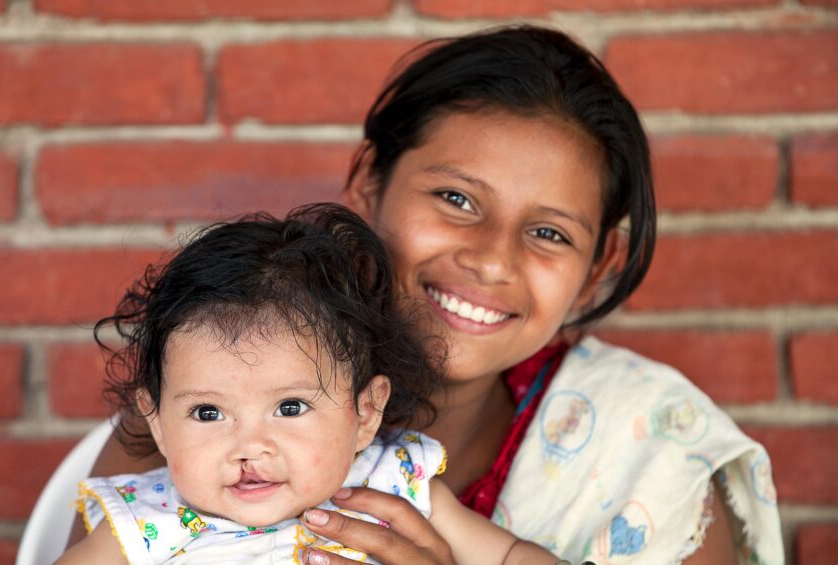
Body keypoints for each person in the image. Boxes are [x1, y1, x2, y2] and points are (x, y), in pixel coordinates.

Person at [70, 25, 783, 564]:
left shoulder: (652, 449)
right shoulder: (201, 413)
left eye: (549, 233)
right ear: (369, 185)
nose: (492, 259)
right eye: (456, 198)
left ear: (600, 267)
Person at [57, 205, 559, 564]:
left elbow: (509, 555)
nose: (249, 447)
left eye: (291, 407)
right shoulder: (144, 524)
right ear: (158, 424)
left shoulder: (393, 482)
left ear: (364, 413)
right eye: (208, 413)